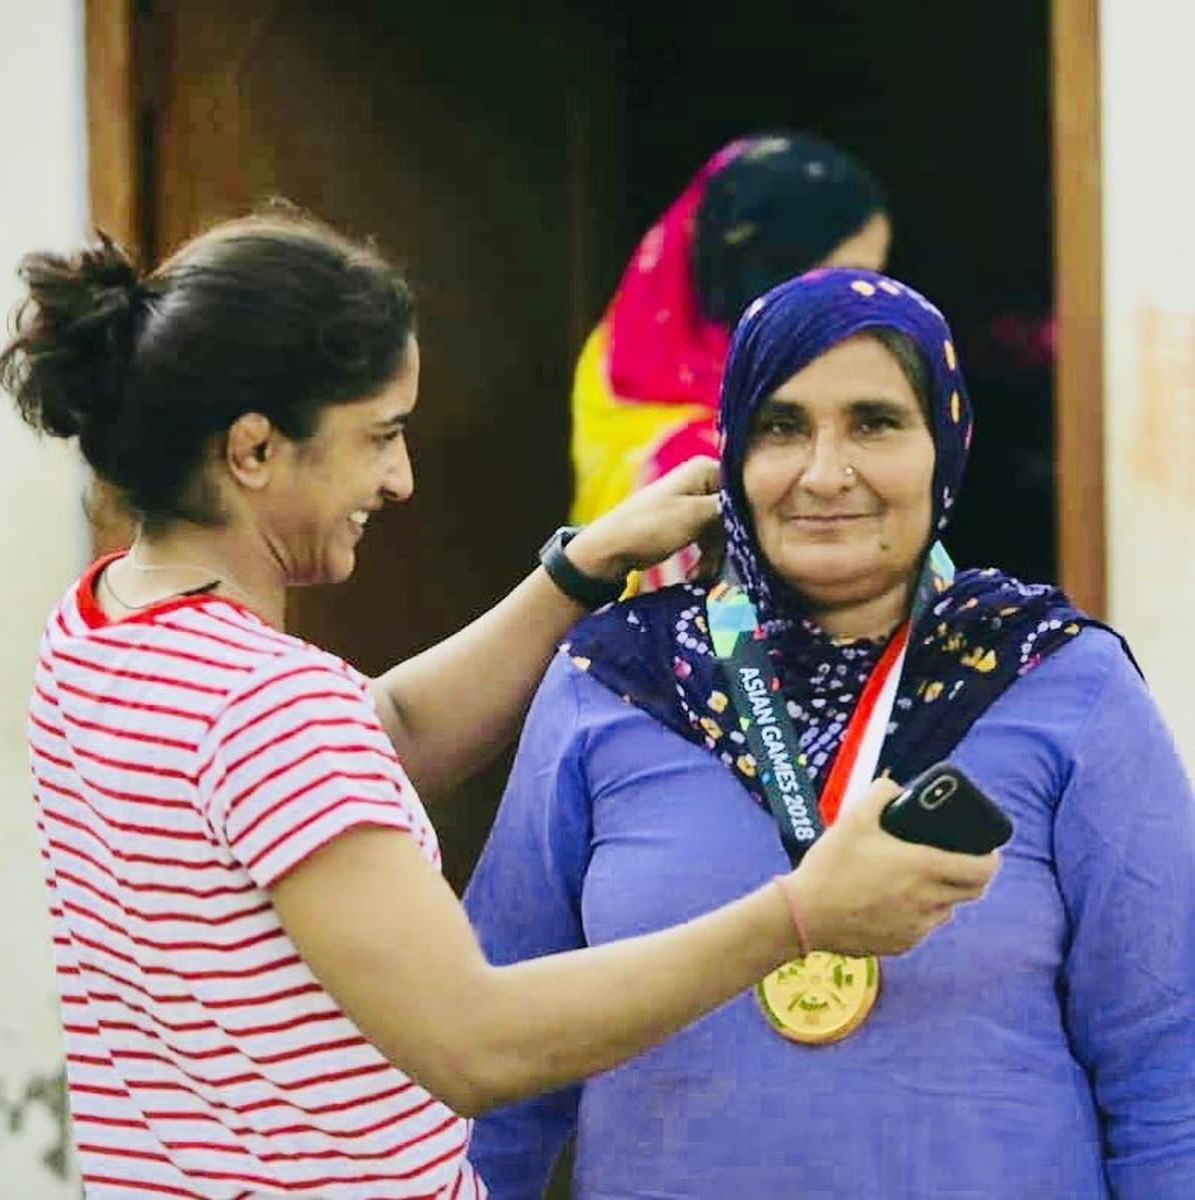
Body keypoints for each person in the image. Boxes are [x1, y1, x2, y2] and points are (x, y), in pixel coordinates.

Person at [0, 216, 998, 1200]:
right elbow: (476, 1042)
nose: (400, 478)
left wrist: (578, 570)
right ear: (255, 450)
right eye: (379, 437)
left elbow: (371, 738)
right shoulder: (266, 709)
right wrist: (799, 915)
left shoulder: (95, 637)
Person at [465, 267, 1195, 1198]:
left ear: (946, 442)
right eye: (781, 427)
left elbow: (1169, 1072)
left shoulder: (1060, 681)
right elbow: (495, 1066)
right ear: (730, 453)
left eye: (874, 423)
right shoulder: (613, 685)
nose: (824, 472)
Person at [570, 130, 889, 587]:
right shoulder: (707, 465)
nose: (865, 307)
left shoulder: (620, 345)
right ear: (769, 272)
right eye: (847, 280)